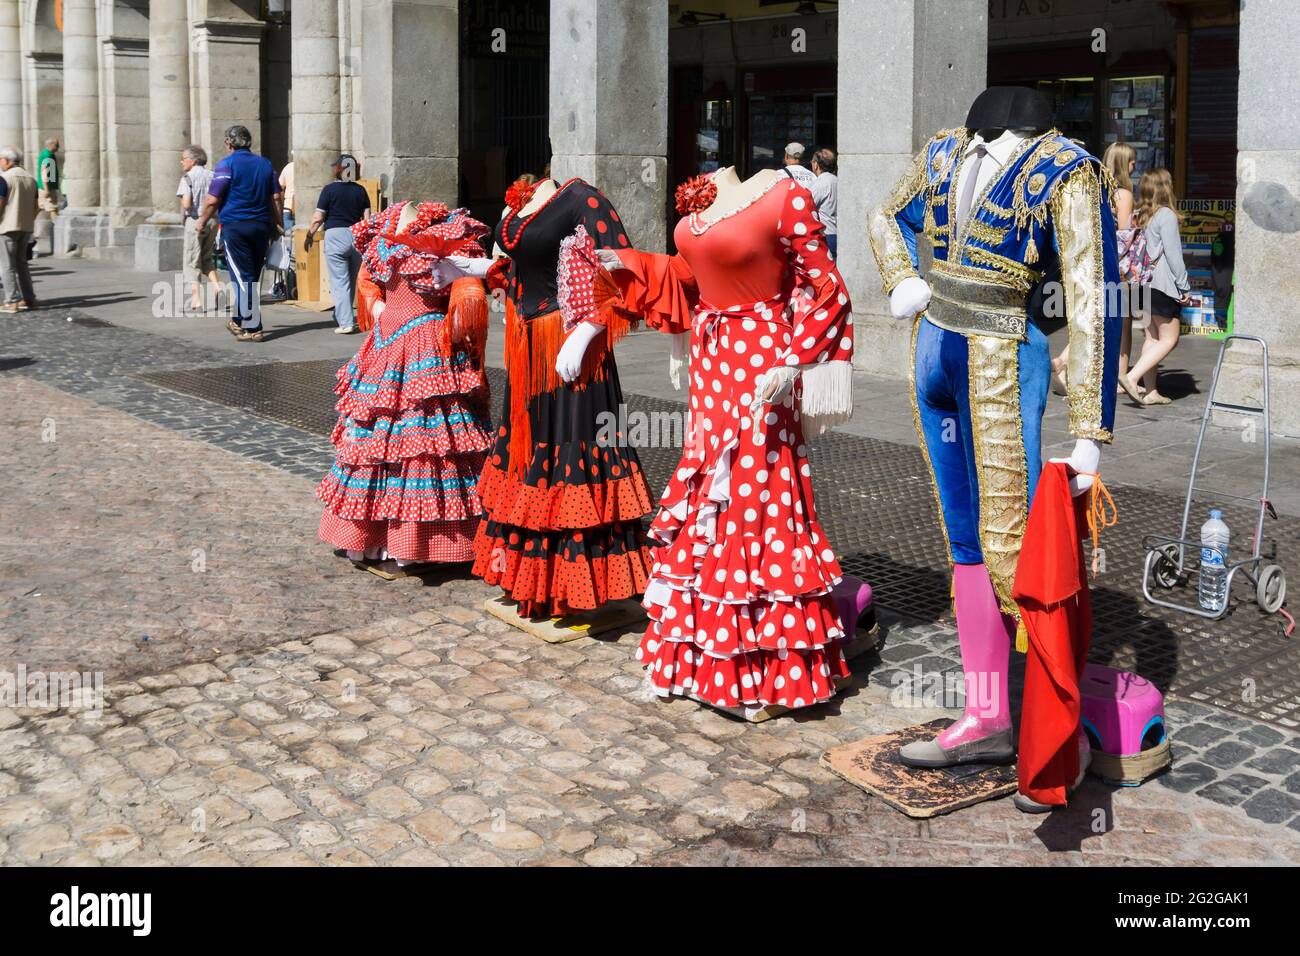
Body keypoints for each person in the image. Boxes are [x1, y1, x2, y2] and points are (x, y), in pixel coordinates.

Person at [601, 167, 856, 716]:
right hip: (712, 358)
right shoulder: (708, 195)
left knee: (756, 489)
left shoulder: (784, 194)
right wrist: (674, 336)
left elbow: (827, 285)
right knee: (707, 486)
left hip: (765, 358)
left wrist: (796, 358)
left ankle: (763, 664)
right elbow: (691, 276)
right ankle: (705, 655)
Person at [442, 176, 654, 619]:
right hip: (526, 347)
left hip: (567, 347)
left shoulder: (582, 199)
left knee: (571, 455)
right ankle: (531, 578)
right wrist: (480, 270)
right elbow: (526, 264)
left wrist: (587, 332)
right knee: (529, 453)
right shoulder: (526, 199)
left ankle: (577, 585)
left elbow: (621, 269)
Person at [317, 202, 494, 566]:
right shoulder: (384, 227)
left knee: (422, 441)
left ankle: (409, 542)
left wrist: (460, 317)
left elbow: (467, 288)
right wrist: (380, 309)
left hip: (423, 339)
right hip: (396, 339)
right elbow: (368, 280)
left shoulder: (449, 230)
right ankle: (384, 537)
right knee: (394, 437)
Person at [1051, 141, 1136, 396]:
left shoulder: (1095, 189)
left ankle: (1063, 362)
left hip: (1090, 261)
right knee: (1122, 322)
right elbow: (1124, 235)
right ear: (1124, 163)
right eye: (1132, 161)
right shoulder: (1125, 194)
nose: (1135, 165)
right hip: (1115, 265)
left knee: (1090, 315)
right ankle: (1119, 376)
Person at [194, 125, 282, 342]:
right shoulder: (265, 164)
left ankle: (250, 326)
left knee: (244, 278)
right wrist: (279, 223)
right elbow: (276, 198)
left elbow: (213, 199)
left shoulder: (226, 165)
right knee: (250, 275)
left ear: (229, 143)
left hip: (236, 226)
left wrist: (202, 220)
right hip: (261, 226)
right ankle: (243, 323)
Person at [1121, 168, 1191, 405]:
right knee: (1170, 338)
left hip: (1140, 285)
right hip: (1161, 286)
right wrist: (1184, 287)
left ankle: (1151, 391)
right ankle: (1131, 377)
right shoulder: (1166, 215)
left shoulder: (1140, 215)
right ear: (1166, 187)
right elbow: (1173, 256)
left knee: (1151, 338)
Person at [305, 154, 370, 334]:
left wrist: (310, 234)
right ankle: (342, 314)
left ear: (339, 169)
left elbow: (318, 217)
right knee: (349, 280)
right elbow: (367, 220)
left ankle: (346, 323)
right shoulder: (361, 191)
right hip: (356, 237)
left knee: (340, 282)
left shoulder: (329, 190)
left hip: (335, 236)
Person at [177, 145, 220, 313]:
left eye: (183, 159)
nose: (181, 162)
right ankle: (217, 288)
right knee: (207, 258)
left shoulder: (187, 178)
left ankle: (196, 300)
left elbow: (187, 204)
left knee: (191, 261)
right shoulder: (213, 175)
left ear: (192, 160)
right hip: (213, 221)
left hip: (195, 221)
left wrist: (181, 201)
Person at [0, 146, 38, 313]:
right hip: (26, 227)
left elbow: (0, 202)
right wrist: (29, 219)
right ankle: (29, 298)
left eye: (1, 159)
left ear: (7, 161)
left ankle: (11, 301)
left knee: (6, 265)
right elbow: (37, 205)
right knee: (22, 264)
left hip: (7, 227)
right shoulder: (31, 178)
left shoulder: (4, 178)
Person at [809, 146, 838, 258]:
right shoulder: (837, 180)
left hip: (827, 235)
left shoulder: (820, 183)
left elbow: (807, 205)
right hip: (839, 234)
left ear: (816, 164)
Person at [276, 158, 297, 299]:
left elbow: (280, 188)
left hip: (288, 208)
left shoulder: (288, 167)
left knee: (289, 249)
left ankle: (291, 288)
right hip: (303, 208)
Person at [36, 137, 60, 217]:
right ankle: (58, 228)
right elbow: (44, 172)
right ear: (52, 145)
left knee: (41, 207)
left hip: (47, 186)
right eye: (57, 145)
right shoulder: (48, 156)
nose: (58, 148)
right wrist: (46, 189)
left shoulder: (47, 154)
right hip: (48, 187)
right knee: (53, 209)